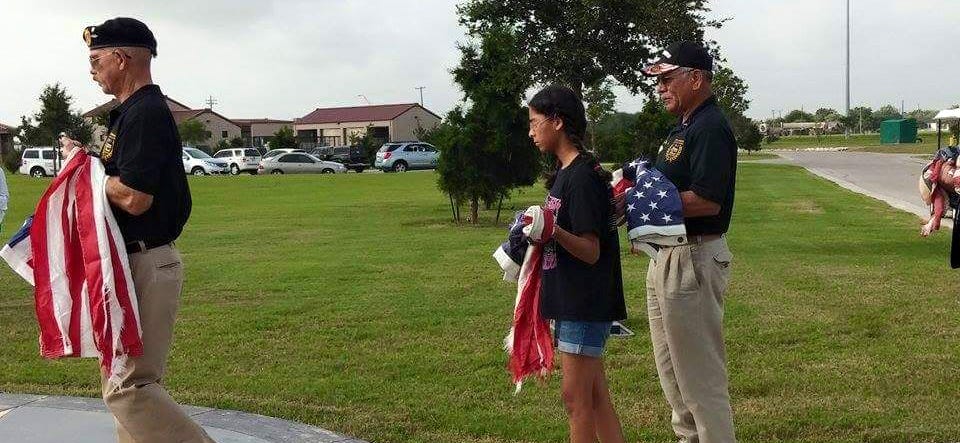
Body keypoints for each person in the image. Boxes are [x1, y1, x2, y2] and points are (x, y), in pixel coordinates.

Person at [65, 17, 211, 442]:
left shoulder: (144, 113)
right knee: (121, 377)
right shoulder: (128, 113)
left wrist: (85, 173)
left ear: (122, 58)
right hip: (127, 261)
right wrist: (89, 160)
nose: (91, 70)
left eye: (96, 60)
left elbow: (134, 196)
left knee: (130, 386)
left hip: (145, 262)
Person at [629, 41, 739, 443]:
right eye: (657, 80)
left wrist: (641, 206)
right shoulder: (684, 126)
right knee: (673, 372)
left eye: (666, 78)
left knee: (700, 378)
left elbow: (708, 199)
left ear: (696, 78)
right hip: (667, 255)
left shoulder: (710, 127)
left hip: (693, 258)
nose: (659, 87)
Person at [528, 84, 627, 443]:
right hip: (571, 301)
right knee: (596, 398)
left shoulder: (582, 176)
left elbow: (590, 250)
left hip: (584, 303)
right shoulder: (566, 173)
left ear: (556, 122)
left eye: (534, 122)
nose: (531, 131)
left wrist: (551, 229)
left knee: (575, 399)